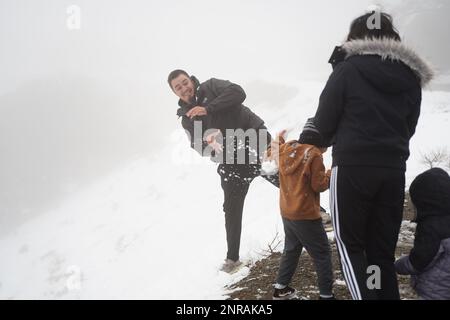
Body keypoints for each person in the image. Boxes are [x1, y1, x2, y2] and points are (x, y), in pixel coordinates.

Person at [313, 12, 433, 299]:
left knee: (351, 247)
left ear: (355, 38)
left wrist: (317, 137)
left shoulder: (348, 69)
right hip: (392, 170)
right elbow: (409, 127)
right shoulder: (409, 76)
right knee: (380, 252)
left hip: (353, 169)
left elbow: (324, 124)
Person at [168, 70, 279, 273]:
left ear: (191, 80)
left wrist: (207, 109)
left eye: (185, 82)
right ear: (175, 93)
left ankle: (318, 214)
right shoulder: (186, 119)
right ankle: (233, 259)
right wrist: (209, 142)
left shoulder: (211, 86)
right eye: (178, 87)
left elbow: (238, 92)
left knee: (282, 177)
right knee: (231, 207)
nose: (184, 88)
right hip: (231, 157)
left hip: (254, 137)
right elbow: (198, 147)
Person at [268, 118, 334, 300]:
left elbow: (270, 153)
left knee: (292, 249)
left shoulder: (287, 148)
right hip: (305, 215)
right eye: (326, 145)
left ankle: (280, 289)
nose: (326, 150)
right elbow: (319, 185)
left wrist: (278, 140)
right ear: (321, 141)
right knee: (322, 254)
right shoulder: (314, 155)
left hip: (287, 212)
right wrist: (330, 172)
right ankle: (326, 295)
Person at [395, 168, 450, 300]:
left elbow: (418, 261)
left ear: (426, 203)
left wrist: (397, 266)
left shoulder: (432, 227)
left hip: (436, 291)